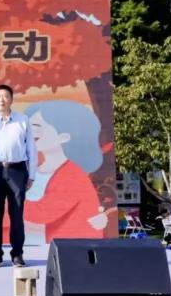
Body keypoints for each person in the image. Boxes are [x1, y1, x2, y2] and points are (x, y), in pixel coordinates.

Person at [21, 101, 107, 240]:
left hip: (70, 247)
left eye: (36, 127)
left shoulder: (73, 177)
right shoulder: (34, 170)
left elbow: (42, 213)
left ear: (64, 137)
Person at [0, 84, 37, 267]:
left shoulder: (23, 120)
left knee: (17, 214)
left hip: (17, 170)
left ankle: (17, 254)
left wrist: (32, 175)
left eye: (5, 96)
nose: (2, 100)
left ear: (11, 99)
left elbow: (31, 148)